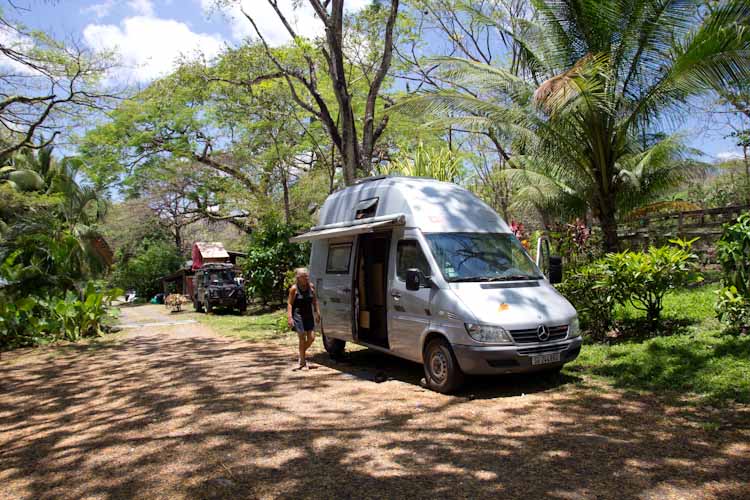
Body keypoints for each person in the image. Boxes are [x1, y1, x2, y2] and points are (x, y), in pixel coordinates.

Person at [287, 267, 321, 370]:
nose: (307, 278)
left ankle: (301, 354)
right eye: (304, 276)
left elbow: (315, 301)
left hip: (308, 314)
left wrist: (317, 312)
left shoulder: (311, 287)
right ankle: (302, 361)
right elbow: (289, 304)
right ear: (298, 278)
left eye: (307, 276)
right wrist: (289, 317)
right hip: (298, 315)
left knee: (311, 338)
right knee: (302, 336)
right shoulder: (294, 289)